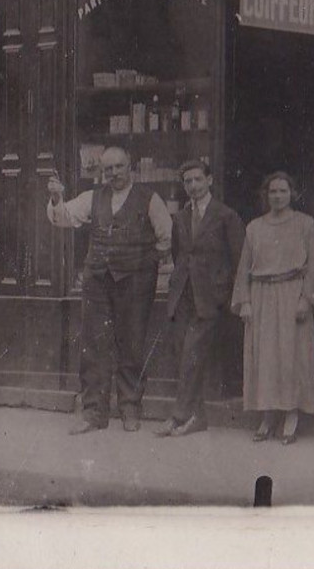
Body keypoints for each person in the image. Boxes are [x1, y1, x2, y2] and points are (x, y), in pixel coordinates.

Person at [46, 146, 172, 434]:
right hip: (98, 282)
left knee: (132, 344)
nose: (114, 173)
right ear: (102, 172)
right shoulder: (93, 197)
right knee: (94, 345)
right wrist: (56, 198)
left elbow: (166, 237)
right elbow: (63, 217)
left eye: (119, 167)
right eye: (108, 169)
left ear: (131, 167)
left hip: (136, 283)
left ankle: (130, 409)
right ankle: (93, 413)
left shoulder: (150, 199)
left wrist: (143, 263)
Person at [155, 159, 245, 438]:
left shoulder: (226, 216)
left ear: (210, 180)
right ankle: (197, 417)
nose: (192, 186)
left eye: (197, 180)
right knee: (183, 353)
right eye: (187, 182)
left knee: (192, 354)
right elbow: (182, 255)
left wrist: (224, 295)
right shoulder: (181, 217)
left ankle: (179, 414)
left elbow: (238, 259)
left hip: (209, 299)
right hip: (182, 295)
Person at [232, 172, 314, 445]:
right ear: (266, 195)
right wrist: (244, 301)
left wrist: (307, 298)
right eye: (273, 192)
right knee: (265, 356)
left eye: (283, 191)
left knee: (292, 356)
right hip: (261, 296)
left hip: (292, 294)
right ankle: (268, 415)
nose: (278, 196)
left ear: (292, 193)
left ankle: (291, 414)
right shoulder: (254, 227)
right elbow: (244, 267)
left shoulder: (305, 224)